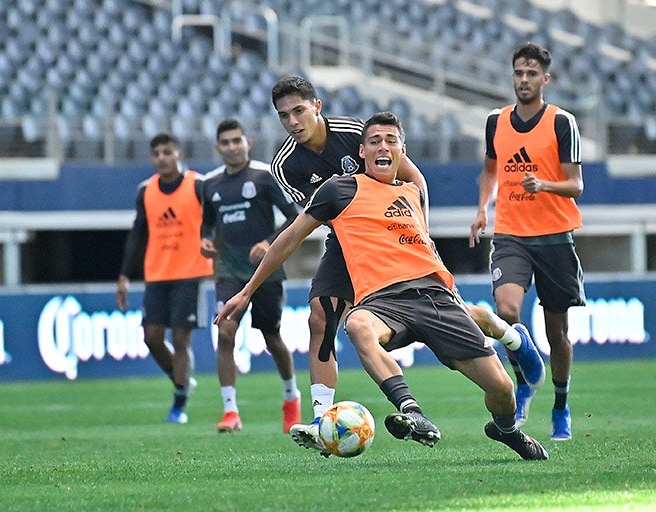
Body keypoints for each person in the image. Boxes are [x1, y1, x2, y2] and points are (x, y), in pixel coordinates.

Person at [217, 112, 548, 460]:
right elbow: (291, 237)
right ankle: (412, 411)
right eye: (374, 141)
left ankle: (507, 429)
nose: (382, 147)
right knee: (356, 324)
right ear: (361, 152)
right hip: (383, 302)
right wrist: (247, 290)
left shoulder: (413, 193)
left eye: (390, 141)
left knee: (502, 388)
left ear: (401, 152)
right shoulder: (338, 190)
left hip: (435, 296)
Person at [469, 43, 586, 441]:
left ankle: (561, 406)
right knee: (506, 309)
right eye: (519, 72)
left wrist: (545, 185)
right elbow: (490, 170)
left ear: (545, 79)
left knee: (557, 332)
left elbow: (576, 184)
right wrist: (483, 208)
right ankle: (524, 379)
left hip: (554, 237)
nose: (524, 80)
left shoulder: (561, 123)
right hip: (511, 234)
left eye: (532, 74)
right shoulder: (495, 121)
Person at [201, 118, 302, 433]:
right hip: (229, 272)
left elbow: (294, 218)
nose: (232, 147)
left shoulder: (264, 177)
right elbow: (208, 223)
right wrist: (205, 240)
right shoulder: (210, 184)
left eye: (236, 141)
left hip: (265, 273)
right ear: (218, 148)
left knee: (272, 338)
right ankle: (230, 411)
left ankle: (291, 397)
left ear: (248, 143)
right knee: (226, 332)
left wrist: (268, 243)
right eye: (226, 143)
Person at [116, 132, 213, 424]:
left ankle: (179, 405)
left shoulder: (197, 185)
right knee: (151, 337)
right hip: (157, 274)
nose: (162, 158)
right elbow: (137, 234)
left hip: (190, 272)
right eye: (156, 153)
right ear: (151, 158)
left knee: (181, 338)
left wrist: (212, 245)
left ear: (179, 155)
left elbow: (214, 221)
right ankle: (181, 380)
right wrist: (123, 275)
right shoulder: (145, 191)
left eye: (167, 152)